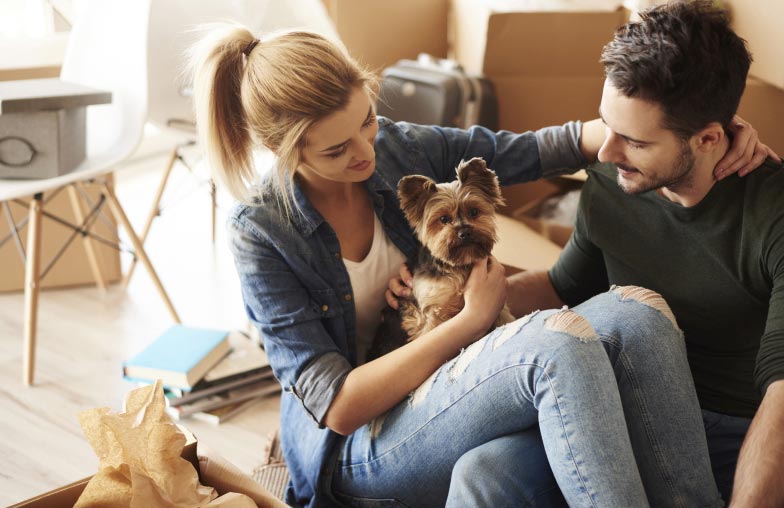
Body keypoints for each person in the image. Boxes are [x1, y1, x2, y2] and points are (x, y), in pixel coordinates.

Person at [188, 20, 768, 508]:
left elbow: (542, 148)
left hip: (455, 385)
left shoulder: (395, 146)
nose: (366, 152)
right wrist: (469, 320)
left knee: (635, 312)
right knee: (555, 344)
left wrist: (709, 130)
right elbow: (338, 408)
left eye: (366, 121)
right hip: (367, 443)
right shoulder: (262, 234)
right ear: (285, 151)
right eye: (336, 150)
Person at [470, 1, 781, 506]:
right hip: (621, 400)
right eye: (605, 126)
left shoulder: (772, 213)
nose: (606, 151)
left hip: (734, 429)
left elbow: (783, 396)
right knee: (486, 473)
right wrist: (459, 301)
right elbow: (563, 287)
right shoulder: (611, 182)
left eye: (634, 142)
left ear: (708, 139)